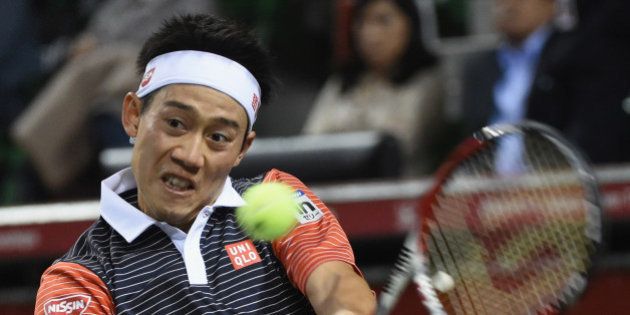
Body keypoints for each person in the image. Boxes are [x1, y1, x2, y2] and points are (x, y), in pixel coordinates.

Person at [34, 14, 376, 314]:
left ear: (243, 148)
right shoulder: (78, 277)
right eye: (176, 124)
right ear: (133, 116)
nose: (190, 156)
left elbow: (335, 283)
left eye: (218, 138)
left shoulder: (277, 192)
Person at [11, 0, 216, 197]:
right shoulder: (116, 5)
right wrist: (88, 44)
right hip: (108, 84)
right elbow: (97, 35)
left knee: (106, 92)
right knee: (100, 97)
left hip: (156, 77)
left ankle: (42, 148)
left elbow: (194, 45)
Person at [458, 0, 630, 166]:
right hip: (488, 186)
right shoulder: (478, 68)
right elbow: (473, 138)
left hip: (559, 182)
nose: (508, 5)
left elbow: (592, 131)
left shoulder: (579, 54)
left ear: (551, 4)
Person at [302, 0, 447, 176]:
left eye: (383, 21)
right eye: (362, 22)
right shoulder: (343, 81)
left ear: (411, 25)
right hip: (335, 188)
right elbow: (309, 142)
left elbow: (402, 143)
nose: (370, 34)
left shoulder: (427, 79)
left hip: (402, 190)